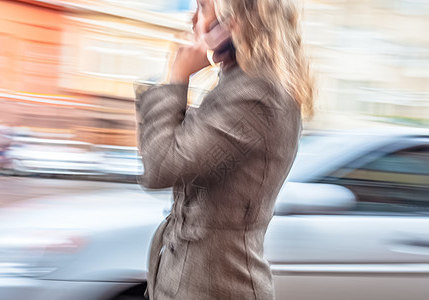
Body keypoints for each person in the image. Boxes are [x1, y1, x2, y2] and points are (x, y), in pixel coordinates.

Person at [134, 0, 314, 299]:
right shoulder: (238, 86)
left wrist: (177, 77)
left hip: (214, 286)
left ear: (235, 18)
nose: (194, 19)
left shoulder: (257, 94)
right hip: (194, 282)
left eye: (203, 7)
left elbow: (160, 165)